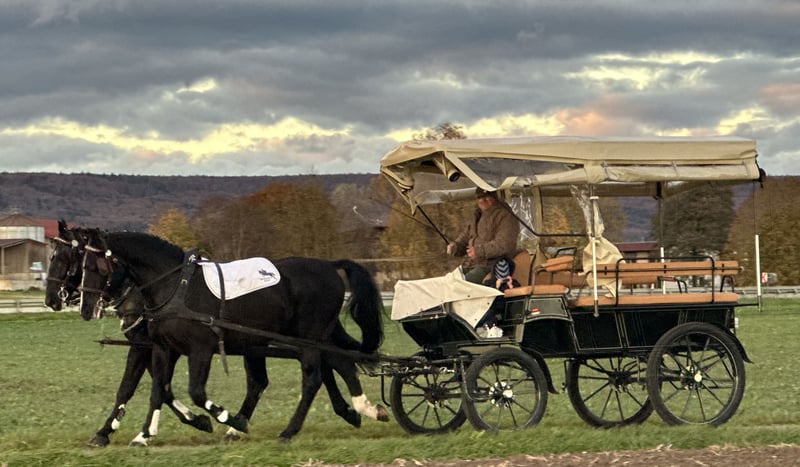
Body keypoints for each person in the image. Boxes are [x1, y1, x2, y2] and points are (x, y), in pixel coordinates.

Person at [447, 187, 520, 284]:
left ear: (494, 197)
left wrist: (478, 251)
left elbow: (504, 244)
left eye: (486, 197)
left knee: (460, 285)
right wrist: (455, 247)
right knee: (447, 282)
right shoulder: (477, 216)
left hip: (492, 266)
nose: (482, 201)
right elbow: (465, 238)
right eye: (479, 198)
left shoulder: (506, 216)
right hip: (471, 265)